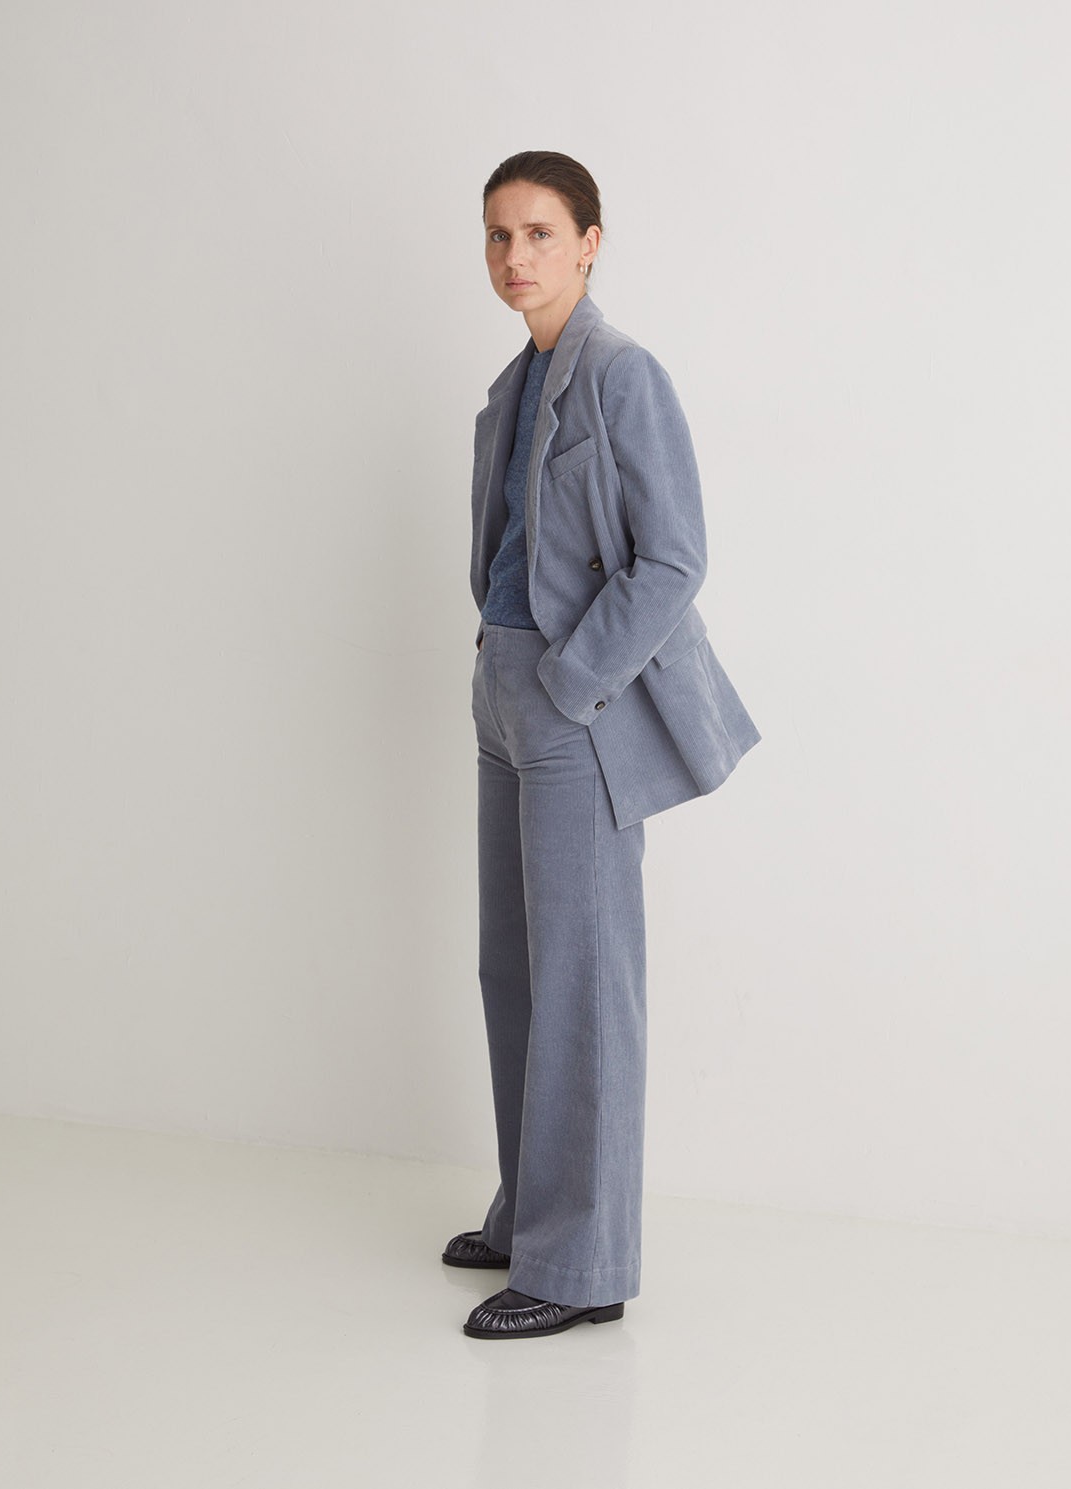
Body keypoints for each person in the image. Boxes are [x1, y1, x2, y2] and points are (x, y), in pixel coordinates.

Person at [444, 152, 761, 1339]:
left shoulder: (624, 373)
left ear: (589, 242)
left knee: (582, 977)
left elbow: (674, 559)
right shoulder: (515, 381)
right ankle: (534, 1212)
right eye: (497, 235)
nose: (514, 255)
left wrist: (572, 682)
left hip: (571, 700)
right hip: (504, 691)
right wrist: (504, 666)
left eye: (539, 232)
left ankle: (580, 1267)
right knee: (515, 968)